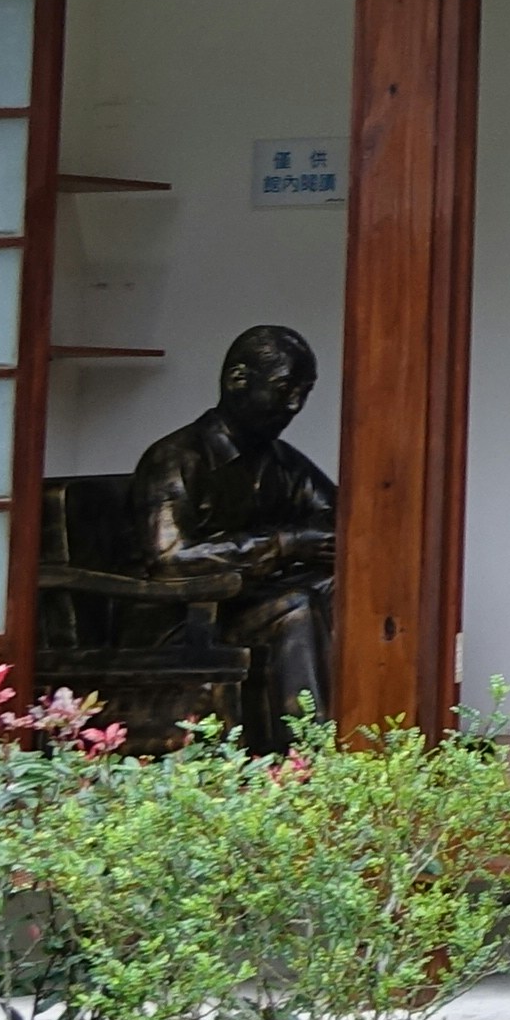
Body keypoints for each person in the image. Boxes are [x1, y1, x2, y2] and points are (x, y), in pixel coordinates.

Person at [129, 323, 341, 753]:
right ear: (238, 380)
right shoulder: (175, 458)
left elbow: (339, 516)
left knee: (345, 587)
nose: (295, 404)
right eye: (284, 388)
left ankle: (372, 732)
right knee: (296, 608)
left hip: (244, 606)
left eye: (304, 392)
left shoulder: (281, 462)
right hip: (184, 622)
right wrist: (283, 544)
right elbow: (169, 560)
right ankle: (309, 756)